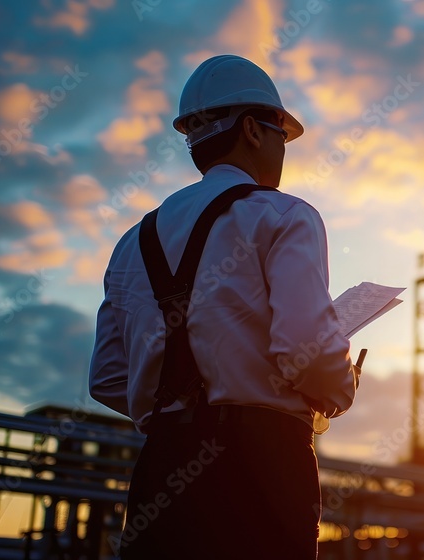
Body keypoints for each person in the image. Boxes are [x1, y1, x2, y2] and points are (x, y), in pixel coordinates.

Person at [88, 54, 359, 559]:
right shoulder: (285, 216)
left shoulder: (132, 241)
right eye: (281, 131)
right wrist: (340, 388)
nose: (284, 147)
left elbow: (106, 378)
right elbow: (306, 347)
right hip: (262, 467)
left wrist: (175, 408)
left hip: (161, 468)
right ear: (253, 130)